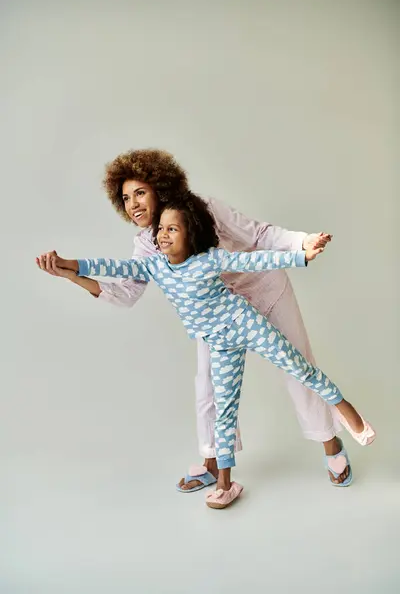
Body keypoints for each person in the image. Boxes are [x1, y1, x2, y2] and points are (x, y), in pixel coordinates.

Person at [36, 148, 351, 489]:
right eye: (125, 197)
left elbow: (258, 235)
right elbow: (126, 293)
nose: (133, 204)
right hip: (214, 315)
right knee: (207, 387)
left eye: (140, 192)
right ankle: (214, 464)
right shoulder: (146, 245)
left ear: (160, 187)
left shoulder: (205, 208)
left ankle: (331, 444)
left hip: (264, 289)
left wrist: (302, 243)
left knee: (297, 366)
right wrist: (71, 274)